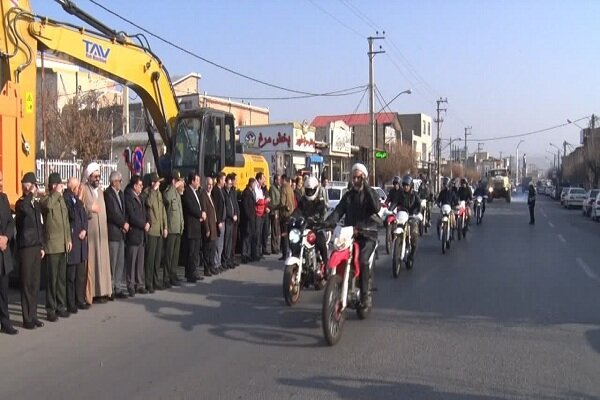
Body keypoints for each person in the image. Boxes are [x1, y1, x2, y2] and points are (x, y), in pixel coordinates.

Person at [325, 163, 380, 308]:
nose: (355, 180)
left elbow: (376, 207)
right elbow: (338, 211)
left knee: (362, 260)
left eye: (359, 177)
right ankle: (339, 285)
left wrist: (366, 186)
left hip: (367, 235)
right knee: (337, 252)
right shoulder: (348, 196)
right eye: (353, 177)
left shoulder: (370, 194)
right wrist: (327, 223)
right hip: (350, 235)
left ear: (364, 178)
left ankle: (364, 295)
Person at [15, 172, 45, 331]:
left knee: (34, 283)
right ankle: (26, 318)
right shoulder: (22, 203)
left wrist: (42, 246)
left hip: (35, 247)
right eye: (33, 185)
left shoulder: (35, 203)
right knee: (26, 283)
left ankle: (33, 315)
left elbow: (40, 225)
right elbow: (24, 211)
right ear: (27, 186)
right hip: (26, 247)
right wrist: (28, 194)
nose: (36, 188)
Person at [40, 172, 72, 321]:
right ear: (53, 185)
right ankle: (50, 309)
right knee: (51, 280)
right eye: (60, 184)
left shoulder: (61, 200)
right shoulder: (47, 199)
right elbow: (47, 206)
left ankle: (61, 306)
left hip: (63, 244)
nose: (62, 187)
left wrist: (69, 239)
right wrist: (56, 193)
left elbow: (66, 221)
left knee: (61, 279)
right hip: (52, 245)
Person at [81, 162, 112, 304]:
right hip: (91, 233)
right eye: (95, 176)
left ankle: (104, 291)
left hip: (102, 233)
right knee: (93, 263)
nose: (97, 178)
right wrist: (89, 208)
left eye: (99, 176)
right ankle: (92, 293)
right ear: (89, 177)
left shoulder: (100, 191)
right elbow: (80, 209)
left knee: (103, 262)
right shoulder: (84, 189)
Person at [64, 177, 89, 312]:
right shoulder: (67, 200)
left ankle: (80, 299)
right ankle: (70, 302)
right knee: (71, 276)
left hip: (81, 242)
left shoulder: (78, 201)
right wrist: (78, 199)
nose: (80, 189)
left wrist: (85, 229)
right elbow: (72, 215)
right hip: (73, 241)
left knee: (80, 275)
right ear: (72, 188)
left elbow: (84, 218)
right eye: (78, 187)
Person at [291, 176, 328, 265]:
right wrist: (292, 217)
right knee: (294, 240)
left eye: (311, 190)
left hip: (316, 228)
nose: (309, 192)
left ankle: (326, 265)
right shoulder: (303, 200)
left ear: (315, 189)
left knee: (321, 242)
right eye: (308, 190)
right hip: (304, 227)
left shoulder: (320, 201)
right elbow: (298, 210)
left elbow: (321, 211)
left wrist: (316, 218)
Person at [104, 171, 129, 300]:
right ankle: (111, 288)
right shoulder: (108, 194)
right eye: (120, 180)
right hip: (113, 231)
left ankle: (118, 287)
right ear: (114, 182)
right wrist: (122, 224)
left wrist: (125, 223)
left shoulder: (121, 194)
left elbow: (124, 211)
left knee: (120, 262)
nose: (121, 183)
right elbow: (112, 213)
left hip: (121, 232)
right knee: (112, 262)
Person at [144, 172, 168, 293]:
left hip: (159, 230)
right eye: (157, 182)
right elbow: (148, 203)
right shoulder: (149, 193)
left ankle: (155, 280)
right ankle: (148, 283)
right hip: (152, 230)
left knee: (158, 258)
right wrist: (153, 190)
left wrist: (165, 227)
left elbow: (163, 211)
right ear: (153, 183)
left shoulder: (159, 194)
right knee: (150, 258)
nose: (159, 184)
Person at [0, 172, 18, 334]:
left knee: (3, 291)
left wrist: (6, 236)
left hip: (3, 253)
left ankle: (5, 323)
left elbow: (10, 222)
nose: (0, 182)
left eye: (1, 179)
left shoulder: (4, 198)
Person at [124, 175, 148, 295]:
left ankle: (139, 284)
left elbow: (144, 212)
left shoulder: (141, 197)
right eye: (140, 185)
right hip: (134, 233)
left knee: (140, 261)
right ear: (134, 186)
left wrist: (147, 222)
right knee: (132, 261)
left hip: (141, 235)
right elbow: (132, 216)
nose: (142, 187)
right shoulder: (129, 197)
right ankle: (131, 285)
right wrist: (143, 224)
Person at [391, 175, 421, 267]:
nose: (405, 187)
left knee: (414, 234)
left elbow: (418, 205)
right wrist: (390, 209)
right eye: (404, 185)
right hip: (401, 217)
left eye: (407, 185)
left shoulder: (414, 195)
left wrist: (416, 213)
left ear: (411, 185)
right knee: (393, 229)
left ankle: (411, 256)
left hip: (411, 217)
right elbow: (395, 202)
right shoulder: (400, 194)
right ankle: (396, 246)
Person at [181, 172, 205, 282]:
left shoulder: (196, 192)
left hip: (197, 226)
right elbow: (190, 207)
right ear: (192, 181)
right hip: (191, 227)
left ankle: (194, 271)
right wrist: (200, 214)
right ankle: (190, 273)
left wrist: (202, 213)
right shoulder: (187, 192)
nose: (199, 183)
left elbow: (199, 205)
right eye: (197, 181)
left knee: (195, 252)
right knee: (191, 252)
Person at [163, 170, 185, 287]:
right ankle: (166, 277)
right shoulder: (169, 191)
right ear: (173, 181)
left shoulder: (177, 193)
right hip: (171, 228)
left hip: (177, 228)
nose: (180, 183)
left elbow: (180, 212)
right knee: (169, 254)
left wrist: (182, 225)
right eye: (178, 180)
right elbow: (166, 198)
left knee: (175, 255)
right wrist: (173, 186)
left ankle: (173, 274)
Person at [200, 177, 219, 275]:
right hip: (208, 227)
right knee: (207, 250)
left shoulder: (210, 195)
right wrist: (207, 228)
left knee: (212, 249)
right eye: (208, 184)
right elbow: (204, 213)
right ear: (205, 184)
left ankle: (211, 267)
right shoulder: (203, 195)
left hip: (213, 226)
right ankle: (206, 269)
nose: (210, 186)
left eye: (211, 184)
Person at [223, 174, 239, 269]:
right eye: (229, 184)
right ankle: (225, 260)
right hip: (228, 220)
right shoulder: (224, 193)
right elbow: (227, 208)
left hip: (233, 220)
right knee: (226, 242)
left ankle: (229, 259)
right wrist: (231, 215)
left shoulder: (231, 192)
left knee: (230, 242)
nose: (230, 185)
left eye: (230, 184)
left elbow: (234, 205)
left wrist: (236, 214)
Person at [211, 172, 227, 271]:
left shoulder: (221, 190)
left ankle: (219, 262)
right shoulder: (216, 191)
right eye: (224, 180)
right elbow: (216, 207)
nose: (225, 182)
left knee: (221, 244)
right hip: (220, 221)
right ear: (220, 180)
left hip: (223, 220)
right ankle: (216, 263)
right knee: (217, 243)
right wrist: (219, 220)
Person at [279, 175, 296, 260]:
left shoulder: (283, 188)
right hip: (291, 213)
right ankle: (291, 252)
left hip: (284, 214)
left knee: (284, 234)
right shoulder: (290, 188)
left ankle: (284, 254)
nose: (280, 181)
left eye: (281, 180)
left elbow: (282, 202)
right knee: (290, 234)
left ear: (283, 180)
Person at [241, 178, 257, 263]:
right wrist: (249, 216)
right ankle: (244, 255)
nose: (255, 186)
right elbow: (245, 206)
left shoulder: (251, 192)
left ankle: (248, 254)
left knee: (249, 237)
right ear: (251, 184)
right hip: (247, 219)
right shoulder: (246, 193)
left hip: (251, 218)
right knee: (246, 237)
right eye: (254, 184)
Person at [254, 172, 268, 259]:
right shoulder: (256, 187)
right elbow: (258, 200)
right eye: (263, 178)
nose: (264, 180)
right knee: (257, 234)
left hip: (262, 213)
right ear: (259, 179)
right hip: (257, 214)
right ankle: (256, 253)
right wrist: (265, 201)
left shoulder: (260, 188)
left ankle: (259, 252)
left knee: (260, 233)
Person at [269, 174, 281, 255]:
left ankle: (277, 246)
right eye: (278, 180)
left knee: (278, 231)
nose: (279, 181)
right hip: (274, 211)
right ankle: (274, 247)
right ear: (275, 180)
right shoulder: (272, 188)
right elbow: (273, 201)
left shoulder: (278, 188)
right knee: (274, 230)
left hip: (278, 211)